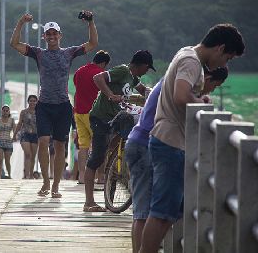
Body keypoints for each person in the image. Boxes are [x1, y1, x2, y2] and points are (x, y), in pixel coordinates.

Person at [139, 24, 245, 253]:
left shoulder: (185, 52)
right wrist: (203, 102)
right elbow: (180, 95)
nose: (224, 65)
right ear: (220, 48)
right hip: (171, 141)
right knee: (161, 214)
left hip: (168, 139)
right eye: (227, 58)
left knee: (166, 213)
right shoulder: (192, 61)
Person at [127, 66, 228, 253]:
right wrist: (200, 101)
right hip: (145, 144)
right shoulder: (182, 89)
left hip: (138, 140)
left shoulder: (172, 80)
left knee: (143, 211)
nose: (210, 90)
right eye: (214, 85)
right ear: (208, 77)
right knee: (145, 213)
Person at [10, 11, 98, 198]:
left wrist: (90, 22)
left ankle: (56, 185)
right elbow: (14, 44)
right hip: (44, 105)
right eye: (48, 34)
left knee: (60, 146)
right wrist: (21, 22)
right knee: (43, 142)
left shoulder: (69, 53)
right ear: (44, 37)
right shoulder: (39, 53)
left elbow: (92, 44)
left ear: (60, 35)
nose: (51, 36)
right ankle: (45, 183)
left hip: (63, 106)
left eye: (54, 33)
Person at [83, 50, 155, 212]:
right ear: (142, 65)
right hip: (101, 117)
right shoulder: (123, 71)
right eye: (147, 68)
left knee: (114, 153)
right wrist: (110, 95)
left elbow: (143, 90)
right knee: (97, 158)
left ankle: (112, 183)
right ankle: (89, 202)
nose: (146, 72)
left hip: (116, 118)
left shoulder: (133, 77)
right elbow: (98, 78)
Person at [73, 50, 111, 184]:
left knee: (83, 145)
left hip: (78, 112)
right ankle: (100, 176)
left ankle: (82, 176)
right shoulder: (99, 74)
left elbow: (77, 89)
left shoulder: (79, 71)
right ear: (104, 63)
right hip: (94, 114)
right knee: (100, 146)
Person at [13, 95, 38, 179]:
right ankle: (26, 174)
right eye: (31, 100)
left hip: (35, 135)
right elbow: (20, 124)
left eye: (34, 101)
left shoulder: (39, 112)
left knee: (33, 156)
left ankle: (30, 174)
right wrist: (15, 134)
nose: (32, 102)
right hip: (25, 135)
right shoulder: (23, 112)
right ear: (28, 102)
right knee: (28, 154)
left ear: (36, 102)